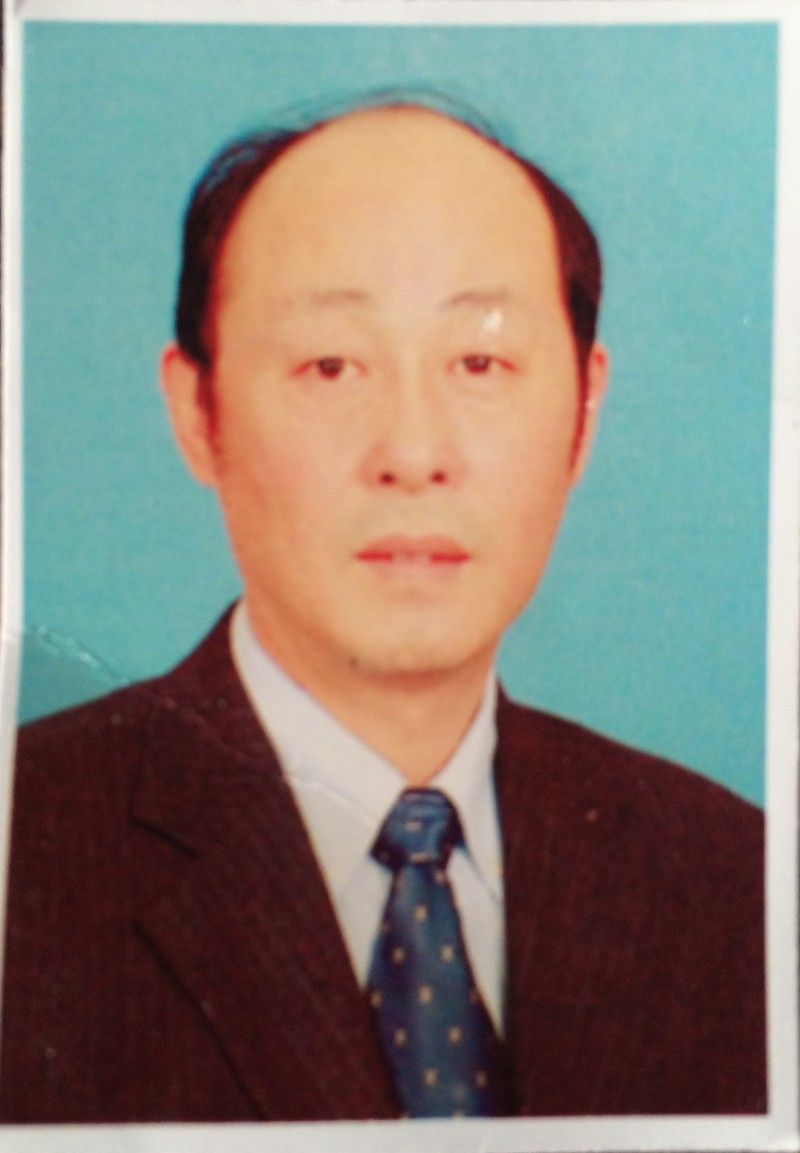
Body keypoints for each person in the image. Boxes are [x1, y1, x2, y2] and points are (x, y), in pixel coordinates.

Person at [0, 96, 766, 1123]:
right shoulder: (29, 852)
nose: (412, 453)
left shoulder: (738, 881)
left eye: (479, 363)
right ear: (197, 411)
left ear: (584, 413)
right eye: (331, 365)